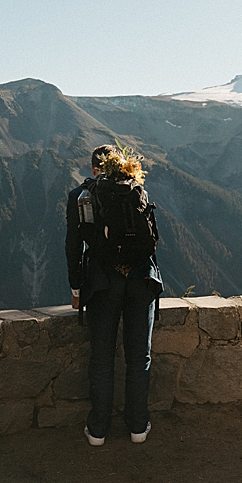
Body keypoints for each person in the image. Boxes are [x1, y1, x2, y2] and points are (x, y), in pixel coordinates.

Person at [66, 144, 162, 446]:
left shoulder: (80, 197)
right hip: (141, 280)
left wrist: (76, 288)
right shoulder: (137, 190)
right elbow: (152, 238)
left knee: (102, 358)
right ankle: (137, 426)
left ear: (94, 168)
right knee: (139, 357)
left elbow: (73, 246)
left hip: (102, 283)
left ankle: (98, 430)